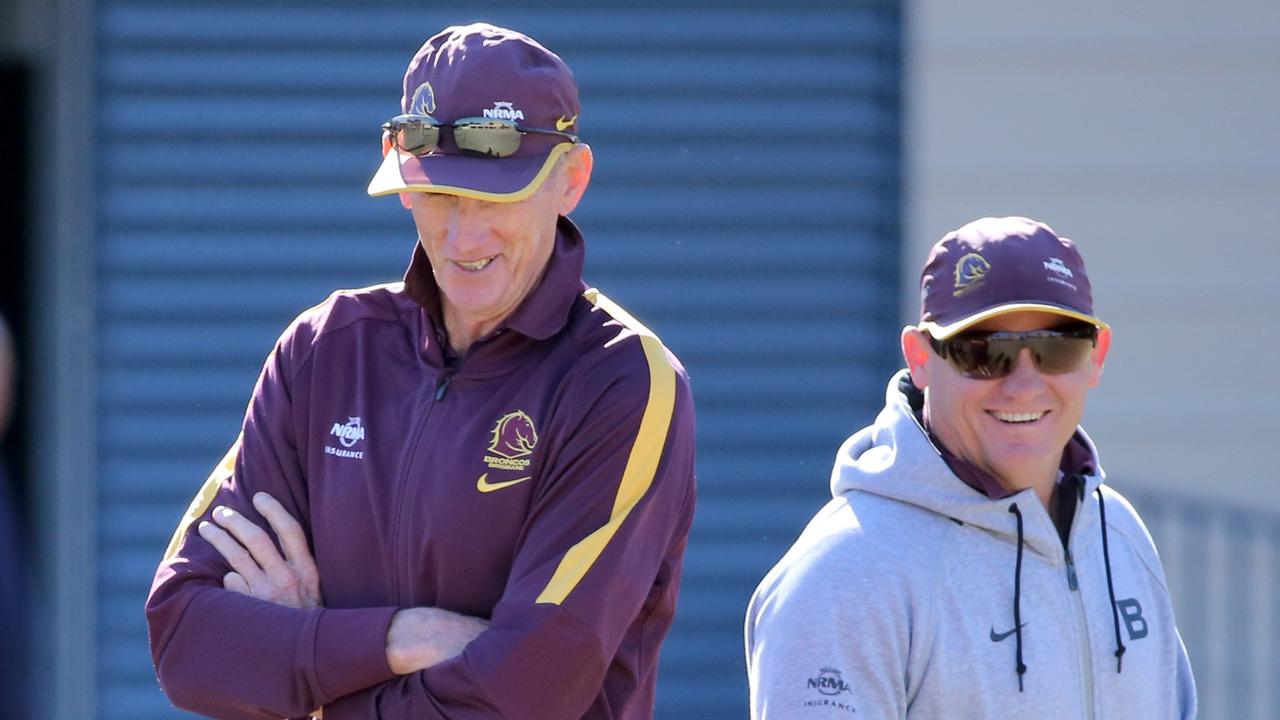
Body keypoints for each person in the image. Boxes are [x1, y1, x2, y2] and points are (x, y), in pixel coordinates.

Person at [146, 23, 696, 720]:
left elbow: (525, 697)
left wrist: (308, 662)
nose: (465, 238)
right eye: (439, 195)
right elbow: (185, 640)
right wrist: (400, 639)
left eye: (496, 198)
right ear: (398, 172)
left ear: (572, 181)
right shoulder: (324, 351)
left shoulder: (623, 382)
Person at [744, 217, 1196, 719]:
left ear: (1096, 356)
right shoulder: (846, 574)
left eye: (1056, 348)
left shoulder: (1119, 536)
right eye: (984, 352)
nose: (1024, 384)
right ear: (920, 358)